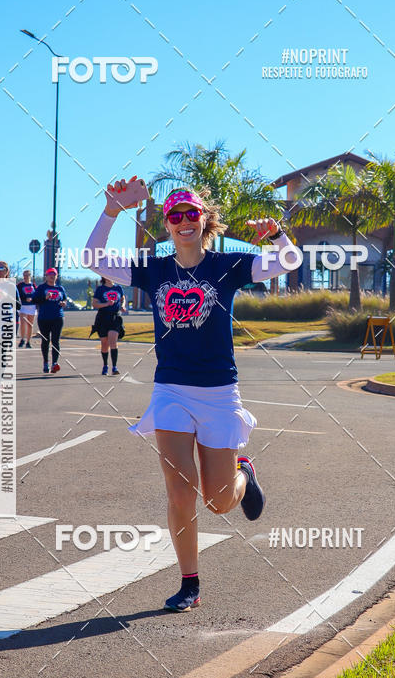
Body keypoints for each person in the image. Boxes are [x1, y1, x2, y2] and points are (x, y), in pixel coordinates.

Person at [85, 177, 302, 612]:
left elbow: (290, 263)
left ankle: (244, 474)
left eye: (192, 214)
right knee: (180, 491)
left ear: (205, 221)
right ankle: (190, 583)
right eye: (175, 215)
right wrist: (111, 210)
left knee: (219, 502)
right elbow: (94, 258)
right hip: (171, 391)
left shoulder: (229, 265)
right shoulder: (155, 269)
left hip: (219, 393)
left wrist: (276, 235)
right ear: (167, 224)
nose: (184, 221)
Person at [32, 267, 67, 374]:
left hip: (58, 317)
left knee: (55, 340)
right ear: (46, 276)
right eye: (50, 274)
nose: (52, 276)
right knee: (45, 341)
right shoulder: (42, 288)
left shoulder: (60, 288)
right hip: (44, 318)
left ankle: (54, 363)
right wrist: (45, 298)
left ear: (57, 276)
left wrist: (64, 303)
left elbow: (64, 299)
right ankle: (46, 362)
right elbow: (35, 300)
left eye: (54, 274)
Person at [91, 276, 125, 375]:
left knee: (113, 341)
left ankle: (114, 367)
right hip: (103, 318)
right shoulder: (100, 289)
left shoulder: (118, 288)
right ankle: (105, 365)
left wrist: (122, 306)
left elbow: (123, 298)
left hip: (115, 317)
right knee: (104, 343)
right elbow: (94, 304)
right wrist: (106, 304)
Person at [17, 269, 37, 348]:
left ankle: (28, 341)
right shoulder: (20, 285)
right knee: (23, 322)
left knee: (30, 324)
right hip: (23, 306)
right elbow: (17, 295)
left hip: (32, 306)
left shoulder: (33, 285)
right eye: (25, 275)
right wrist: (24, 299)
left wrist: (32, 299)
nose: (26, 277)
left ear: (30, 276)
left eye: (28, 275)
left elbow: (36, 295)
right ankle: (22, 339)